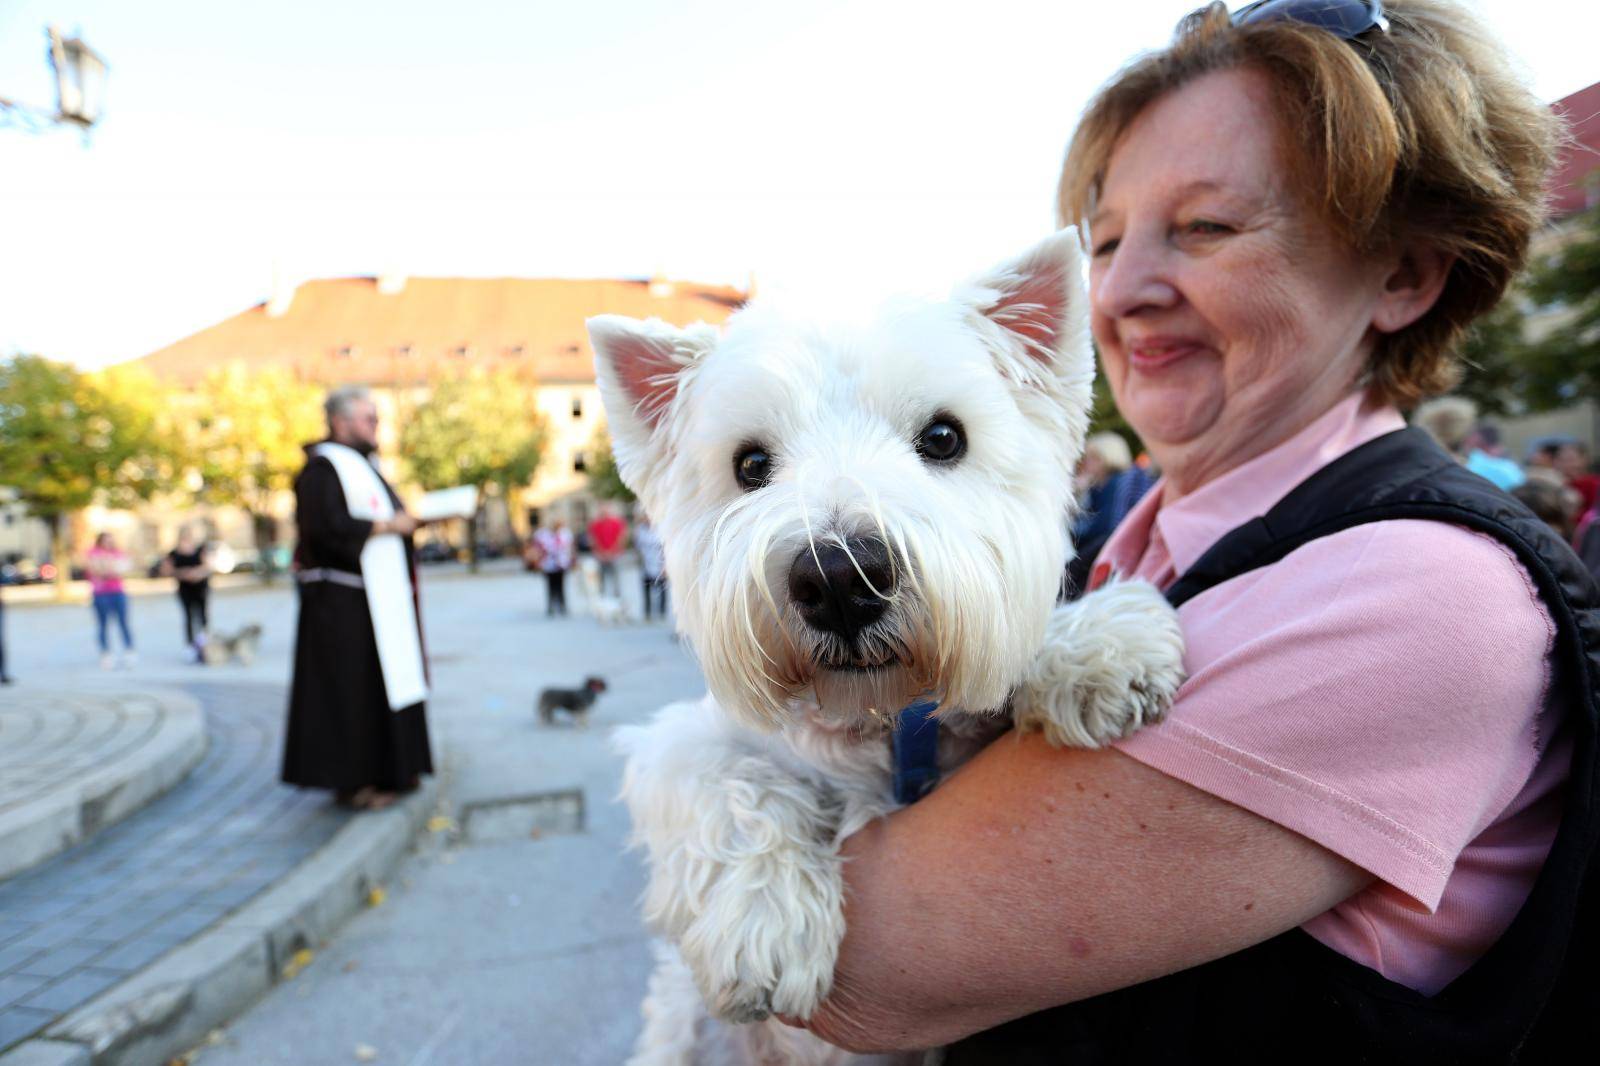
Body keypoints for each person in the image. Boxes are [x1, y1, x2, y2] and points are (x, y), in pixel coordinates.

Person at [793, 3, 1594, 1060]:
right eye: (1107, 239)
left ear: (1402, 273)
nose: (1118, 293)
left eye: (1206, 227)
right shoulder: (1133, 548)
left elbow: (837, 974)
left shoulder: (1420, 590)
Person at [282, 386, 435, 812]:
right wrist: (389, 527)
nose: (376, 427)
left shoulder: (364, 467)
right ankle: (355, 782)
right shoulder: (322, 470)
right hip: (340, 606)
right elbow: (325, 529)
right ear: (341, 421)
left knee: (380, 689)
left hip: (374, 601)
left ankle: (394, 770)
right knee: (350, 696)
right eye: (369, 419)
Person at [1067, 432, 1157, 596]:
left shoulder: (1119, 482)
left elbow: (1106, 527)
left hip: (1119, 552)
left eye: (1094, 458)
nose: (1087, 463)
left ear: (1108, 459)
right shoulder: (1100, 485)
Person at [159, 527, 213, 661]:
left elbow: (208, 566)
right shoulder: (173, 554)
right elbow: (165, 570)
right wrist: (182, 573)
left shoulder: (200, 549)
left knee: (203, 615)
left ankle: (204, 643)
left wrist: (196, 573)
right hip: (184, 588)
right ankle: (190, 646)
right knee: (188, 616)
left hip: (200, 587)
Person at [85, 532, 135, 670]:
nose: (108, 543)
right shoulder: (93, 553)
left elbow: (123, 570)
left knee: (123, 622)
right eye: (106, 541)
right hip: (101, 593)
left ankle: (129, 651)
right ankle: (105, 653)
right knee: (102, 624)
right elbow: (95, 570)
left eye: (110, 540)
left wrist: (106, 567)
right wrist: (110, 568)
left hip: (118, 592)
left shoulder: (118, 552)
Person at [531, 520, 575, 617]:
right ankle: (551, 605)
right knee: (550, 586)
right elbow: (538, 548)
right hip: (548, 564)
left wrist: (571, 559)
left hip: (561, 563)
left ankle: (562, 605)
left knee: (561, 585)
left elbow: (569, 548)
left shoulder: (565, 534)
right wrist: (538, 561)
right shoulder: (542, 535)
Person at [633, 512, 668, 621]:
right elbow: (637, 548)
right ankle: (647, 613)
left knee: (662, 589)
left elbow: (665, 548)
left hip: (659, 563)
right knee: (646, 588)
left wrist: (665, 565)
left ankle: (662, 613)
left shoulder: (661, 529)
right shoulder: (639, 530)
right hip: (646, 563)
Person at [588, 505, 628, 597]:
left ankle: (617, 596)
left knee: (616, 577)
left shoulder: (617, 522)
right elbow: (593, 540)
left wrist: (611, 552)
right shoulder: (595, 524)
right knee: (601, 579)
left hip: (615, 555)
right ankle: (602, 596)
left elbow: (621, 538)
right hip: (600, 556)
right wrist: (602, 553)